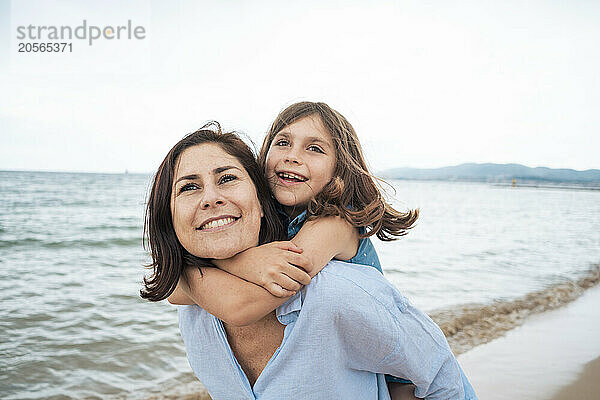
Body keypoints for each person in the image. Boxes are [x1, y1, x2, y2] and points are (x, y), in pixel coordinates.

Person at [141, 124, 476, 399]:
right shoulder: (194, 311)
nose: (211, 198)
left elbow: (444, 380)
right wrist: (190, 271)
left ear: (261, 200)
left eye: (227, 178)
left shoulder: (335, 278)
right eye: (188, 188)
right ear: (168, 218)